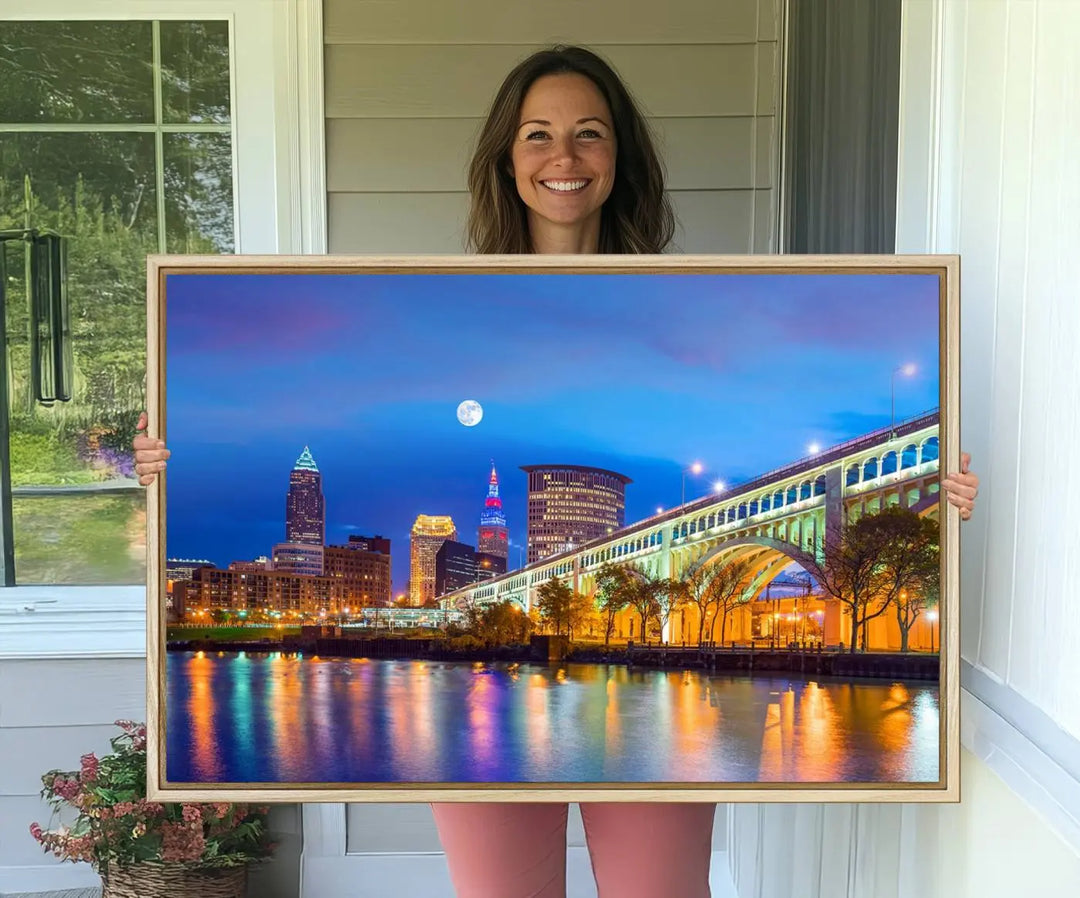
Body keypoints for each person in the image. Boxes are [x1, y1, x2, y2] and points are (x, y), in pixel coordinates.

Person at [134, 45, 980, 898]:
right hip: (499, 728)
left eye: (589, 134)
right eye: (538, 135)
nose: (563, 157)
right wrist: (166, 464)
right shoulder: (445, 303)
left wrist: (941, 511)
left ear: (620, 159)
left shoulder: (687, 302)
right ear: (507, 157)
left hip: (645, 729)